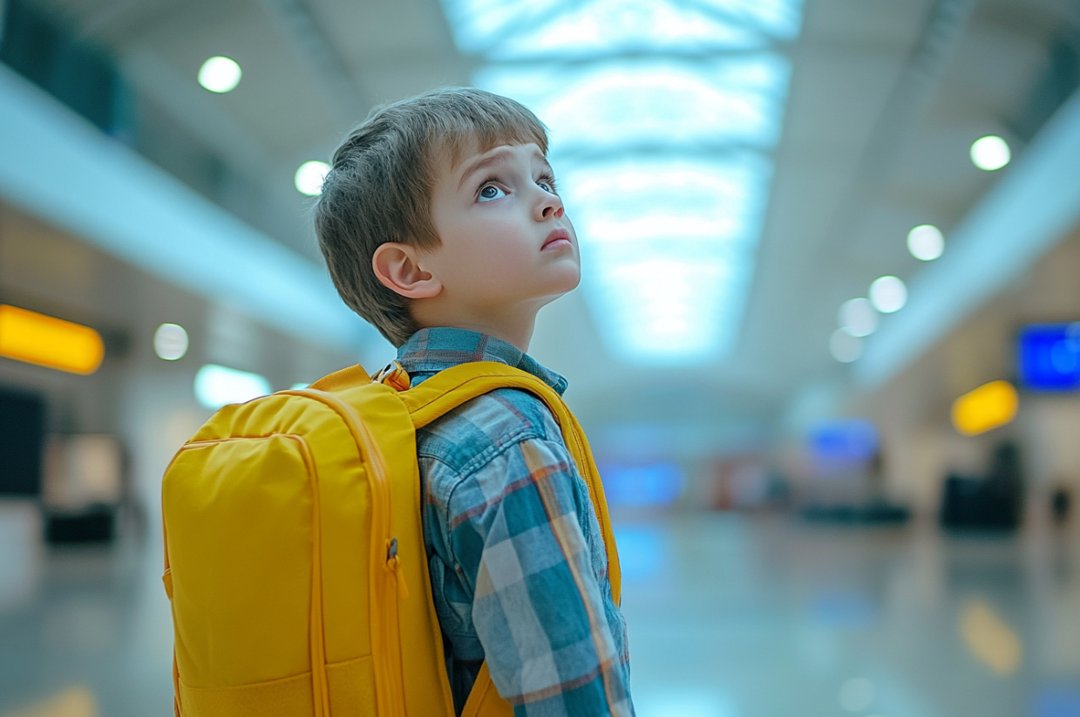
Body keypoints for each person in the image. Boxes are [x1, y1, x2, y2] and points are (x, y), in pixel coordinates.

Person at [313, 88, 633, 716]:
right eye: (493, 188)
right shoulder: (507, 437)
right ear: (409, 271)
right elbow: (569, 696)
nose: (549, 201)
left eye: (544, 176)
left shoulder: (395, 414)